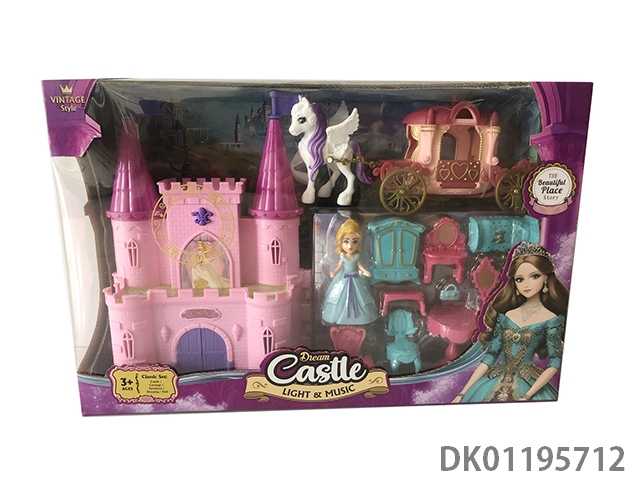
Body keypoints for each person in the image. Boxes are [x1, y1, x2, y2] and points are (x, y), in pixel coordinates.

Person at [452, 242, 569, 403]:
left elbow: (554, 363)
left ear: (546, 278)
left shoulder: (551, 319)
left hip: (528, 384)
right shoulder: (506, 316)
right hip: (493, 379)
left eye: (534, 276)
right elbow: (489, 358)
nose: (526, 284)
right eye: (520, 279)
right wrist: (462, 394)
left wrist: (527, 396)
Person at [322, 219, 378, 325]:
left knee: (360, 298)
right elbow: (339, 266)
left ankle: (361, 317)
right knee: (339, 297)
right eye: (346, 241)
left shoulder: (356, 256)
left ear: (359, 242)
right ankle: (337, 316)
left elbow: (360, 266)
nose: (350, 246)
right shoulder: (343, 256)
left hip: (356, 278)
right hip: (343, 278)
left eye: (354, 241)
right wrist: (334, 273)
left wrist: (366, 272)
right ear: (341, 242)